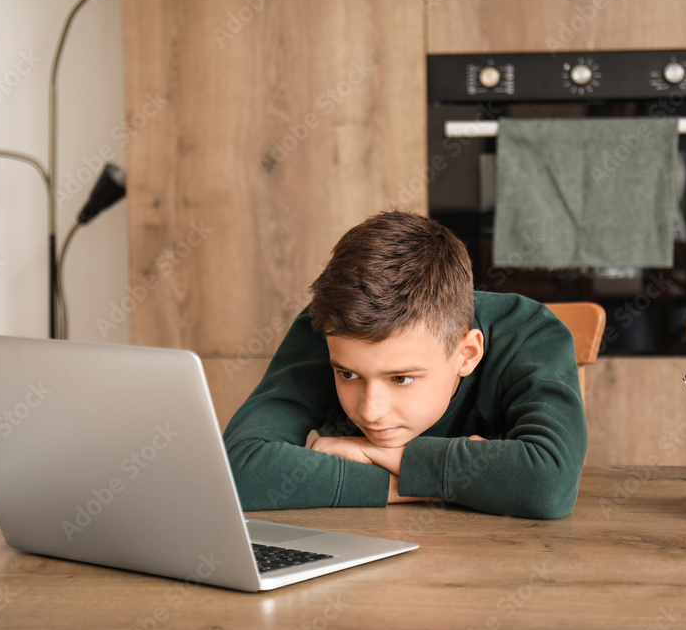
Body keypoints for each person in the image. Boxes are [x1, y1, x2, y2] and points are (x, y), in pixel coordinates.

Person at [223, 211, 587, 519]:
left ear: (468, 354)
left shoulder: (531, 335)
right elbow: (236, 472)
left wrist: (371, 455)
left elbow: (547, 484)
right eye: (347, 374)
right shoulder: (332, 325)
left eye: (400, 378)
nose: (370, 411)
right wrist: (446, 483)